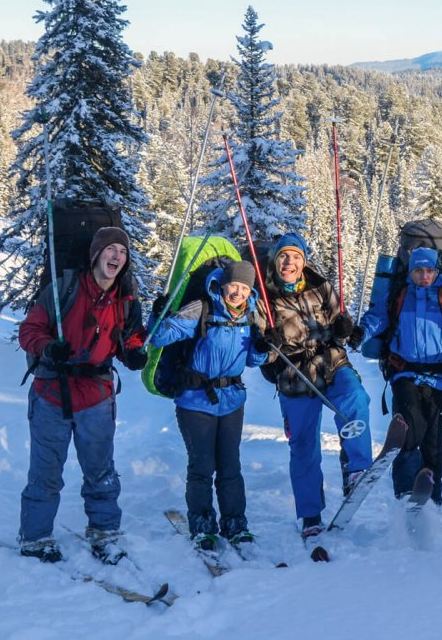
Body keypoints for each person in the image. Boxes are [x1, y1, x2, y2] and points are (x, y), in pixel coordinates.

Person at [17, 226, 148, 564]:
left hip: (96, 396)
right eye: (110, 249)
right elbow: (29, 330)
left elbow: (130, 339)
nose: (116, 255)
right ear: (96, 254)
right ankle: (35, 537)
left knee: (101, 471)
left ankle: (104, 534)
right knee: (46, 471)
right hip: (52, 393)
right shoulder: (64, 288)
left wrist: (134, 354)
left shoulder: (126, 300)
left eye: (122, 251)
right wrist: (48, 348)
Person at [259, 232, 373, 539]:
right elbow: (259, 347)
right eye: (284, 256)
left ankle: (357, 468)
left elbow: (340, 327)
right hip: (293, 373)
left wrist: (346, 329)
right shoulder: (265, 297)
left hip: (330, 362)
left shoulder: (321, 286)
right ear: (275, 260)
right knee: (304, 446)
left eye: (295, 256)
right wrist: (266, 345)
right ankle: (310, 515)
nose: (289, 262)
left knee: (355, 400)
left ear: (303, 261)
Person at [149, 259, 267, 552]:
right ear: (223, 284)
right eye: (234, 285)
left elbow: (253, 360)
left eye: (244, 287)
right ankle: (202, 526)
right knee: (202, 466)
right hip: (195, 401)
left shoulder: (250, 316)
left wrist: (263, 348)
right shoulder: (201, 309)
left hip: (232, 400)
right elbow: (160, 336)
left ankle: (235, 524)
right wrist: (157, 313)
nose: (238, 292)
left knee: (230, 466)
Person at [354, 246, 442, 505]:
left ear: (437, 271)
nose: (424, 275)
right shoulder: (399, 296)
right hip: (405, 375)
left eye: (429, 270)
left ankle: (431, 499)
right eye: (418, 270)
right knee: (407, 434)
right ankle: (405, 491)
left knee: (434, 443)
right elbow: (375, 319)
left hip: (440, 379)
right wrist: (358, 333)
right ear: (411, 271)